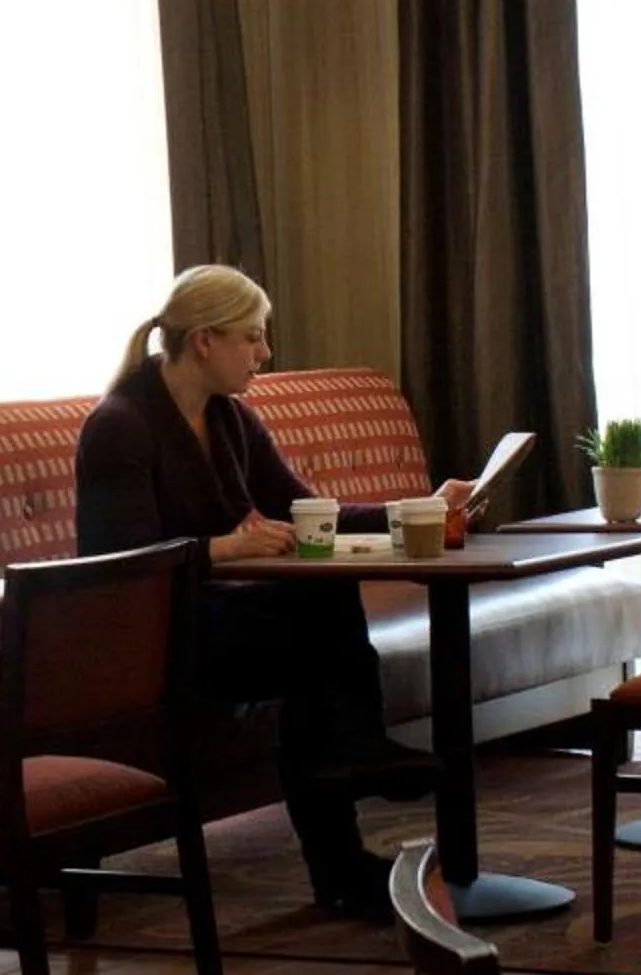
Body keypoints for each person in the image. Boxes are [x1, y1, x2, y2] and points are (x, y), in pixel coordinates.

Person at [75, 266, 472, 917]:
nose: (263, 355)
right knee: (315, 632)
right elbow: (114, 562)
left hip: (211, 617)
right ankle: (345, 832)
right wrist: (218, 549)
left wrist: (416, 510)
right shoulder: (121, 425)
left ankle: (347, 824)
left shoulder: (228, 419)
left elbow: (305, 511)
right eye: (252, 339)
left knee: (317, 618)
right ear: (204, 340)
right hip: (150, 637)